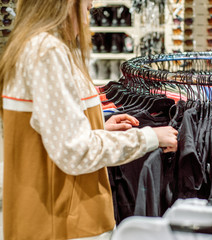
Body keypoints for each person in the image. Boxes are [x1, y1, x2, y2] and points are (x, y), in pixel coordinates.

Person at [0, 0, 178, 239]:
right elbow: (76, 151)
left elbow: (49, 134)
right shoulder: (47, 52)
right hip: (64, 223)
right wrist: (149, 137)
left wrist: (98, 128)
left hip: (56, 217)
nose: (87, 19)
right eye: (86, 8)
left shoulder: (33, 47)